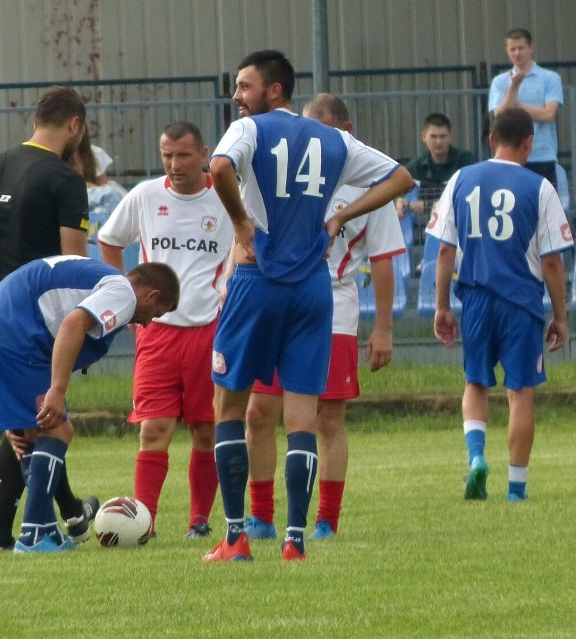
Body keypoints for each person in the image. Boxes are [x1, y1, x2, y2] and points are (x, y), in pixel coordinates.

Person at [204, 49, 413, 563]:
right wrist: (339, 219)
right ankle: (295, 541)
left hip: (257, 279)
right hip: (314, 289)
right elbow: (402, 178)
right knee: (302, 414)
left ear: (274, 90)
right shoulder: (335, 140)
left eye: (244, 86)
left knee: (229, 405)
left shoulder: (249, 130)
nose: (237, 97)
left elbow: (219, 167)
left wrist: (239, 223)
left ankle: (235, 538)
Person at [242, 93, 406, 542]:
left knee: (327, 419)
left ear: (345, 134)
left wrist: (384, 330)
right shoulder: (282, 177)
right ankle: (261, 517)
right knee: (258, 412)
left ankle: (326, 520)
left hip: (332, 308)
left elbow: (385, 259)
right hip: (275, 301)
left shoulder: (367, 186)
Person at [0, 85, 95, 552]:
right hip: (33, 317)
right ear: (75, 125)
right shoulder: (65, 180)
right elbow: (73, 264)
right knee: (43, 424)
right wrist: (85, 323)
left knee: (26, 423)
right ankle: (15, 531)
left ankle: (68, 514)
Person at [0, 256, 179, 553]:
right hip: (10, 338)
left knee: (30, 435)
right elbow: (74, 323)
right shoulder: (123, 291)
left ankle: (39, 530)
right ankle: (35, 534)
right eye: (157, 312)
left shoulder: (98, 279)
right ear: (152, 295)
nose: (148, 322)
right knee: (58, 430)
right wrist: (57, 389)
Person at [97, 121, 234, 539]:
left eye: (184, 155)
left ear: (204, 154)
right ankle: (146, 522)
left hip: (209, 330)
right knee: (153, 428)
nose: (174, 165)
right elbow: (109, 240)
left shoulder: (228, 199)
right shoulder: (145, 196)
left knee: (206, 429)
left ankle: (199, 520)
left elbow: (249, 242)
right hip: (156, 334)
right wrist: (123, 300)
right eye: (167, 156)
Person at [427, 106, 571, 503]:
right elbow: (553, 261)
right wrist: (560, 316)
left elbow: (443, 251)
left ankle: (476, 458)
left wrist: (442, 307)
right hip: (521, 303)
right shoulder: (540, 188)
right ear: (529, 143)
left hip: (474, 298)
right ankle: (516, 489)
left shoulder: (461, 178)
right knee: (520, 392)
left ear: (490, 140)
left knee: (475, 382)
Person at [488, 28, 563, 190]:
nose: (517, 53)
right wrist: (514, 87)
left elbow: (549, 114)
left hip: (542, 156)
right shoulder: (500, 82)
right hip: (510, 156)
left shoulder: (550, 78)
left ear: (531, 48)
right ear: (507, 51)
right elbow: (499, 116)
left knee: (544, 209)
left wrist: (516, 106)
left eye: (521, 48)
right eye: (512, 49)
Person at [396, 113, 477, 231]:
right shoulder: (417, 164)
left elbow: (472, 193)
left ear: (451, 136)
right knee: (403, 202)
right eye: (433, 136)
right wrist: (399, 201)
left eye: (443, 136)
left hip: (460, 219)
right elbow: (396, 186)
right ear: (424, 136)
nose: (438, 141)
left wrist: (427, 206)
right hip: (426, 221)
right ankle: (404, 249)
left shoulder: (465, 160)